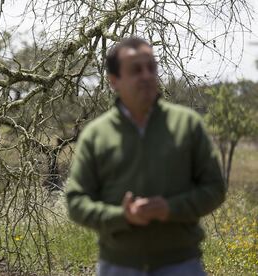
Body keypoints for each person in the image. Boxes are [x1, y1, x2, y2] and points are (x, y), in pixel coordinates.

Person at [64, 36, 227, 276]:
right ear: (113, 81)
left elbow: (214, 189)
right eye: (136, 70)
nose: (147, 75)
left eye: (151, 67)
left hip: (182, 264)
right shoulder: (96, 135)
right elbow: (76, 202)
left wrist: (169, 209)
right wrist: (123, 216)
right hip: (117, 266)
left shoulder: (187, 124)